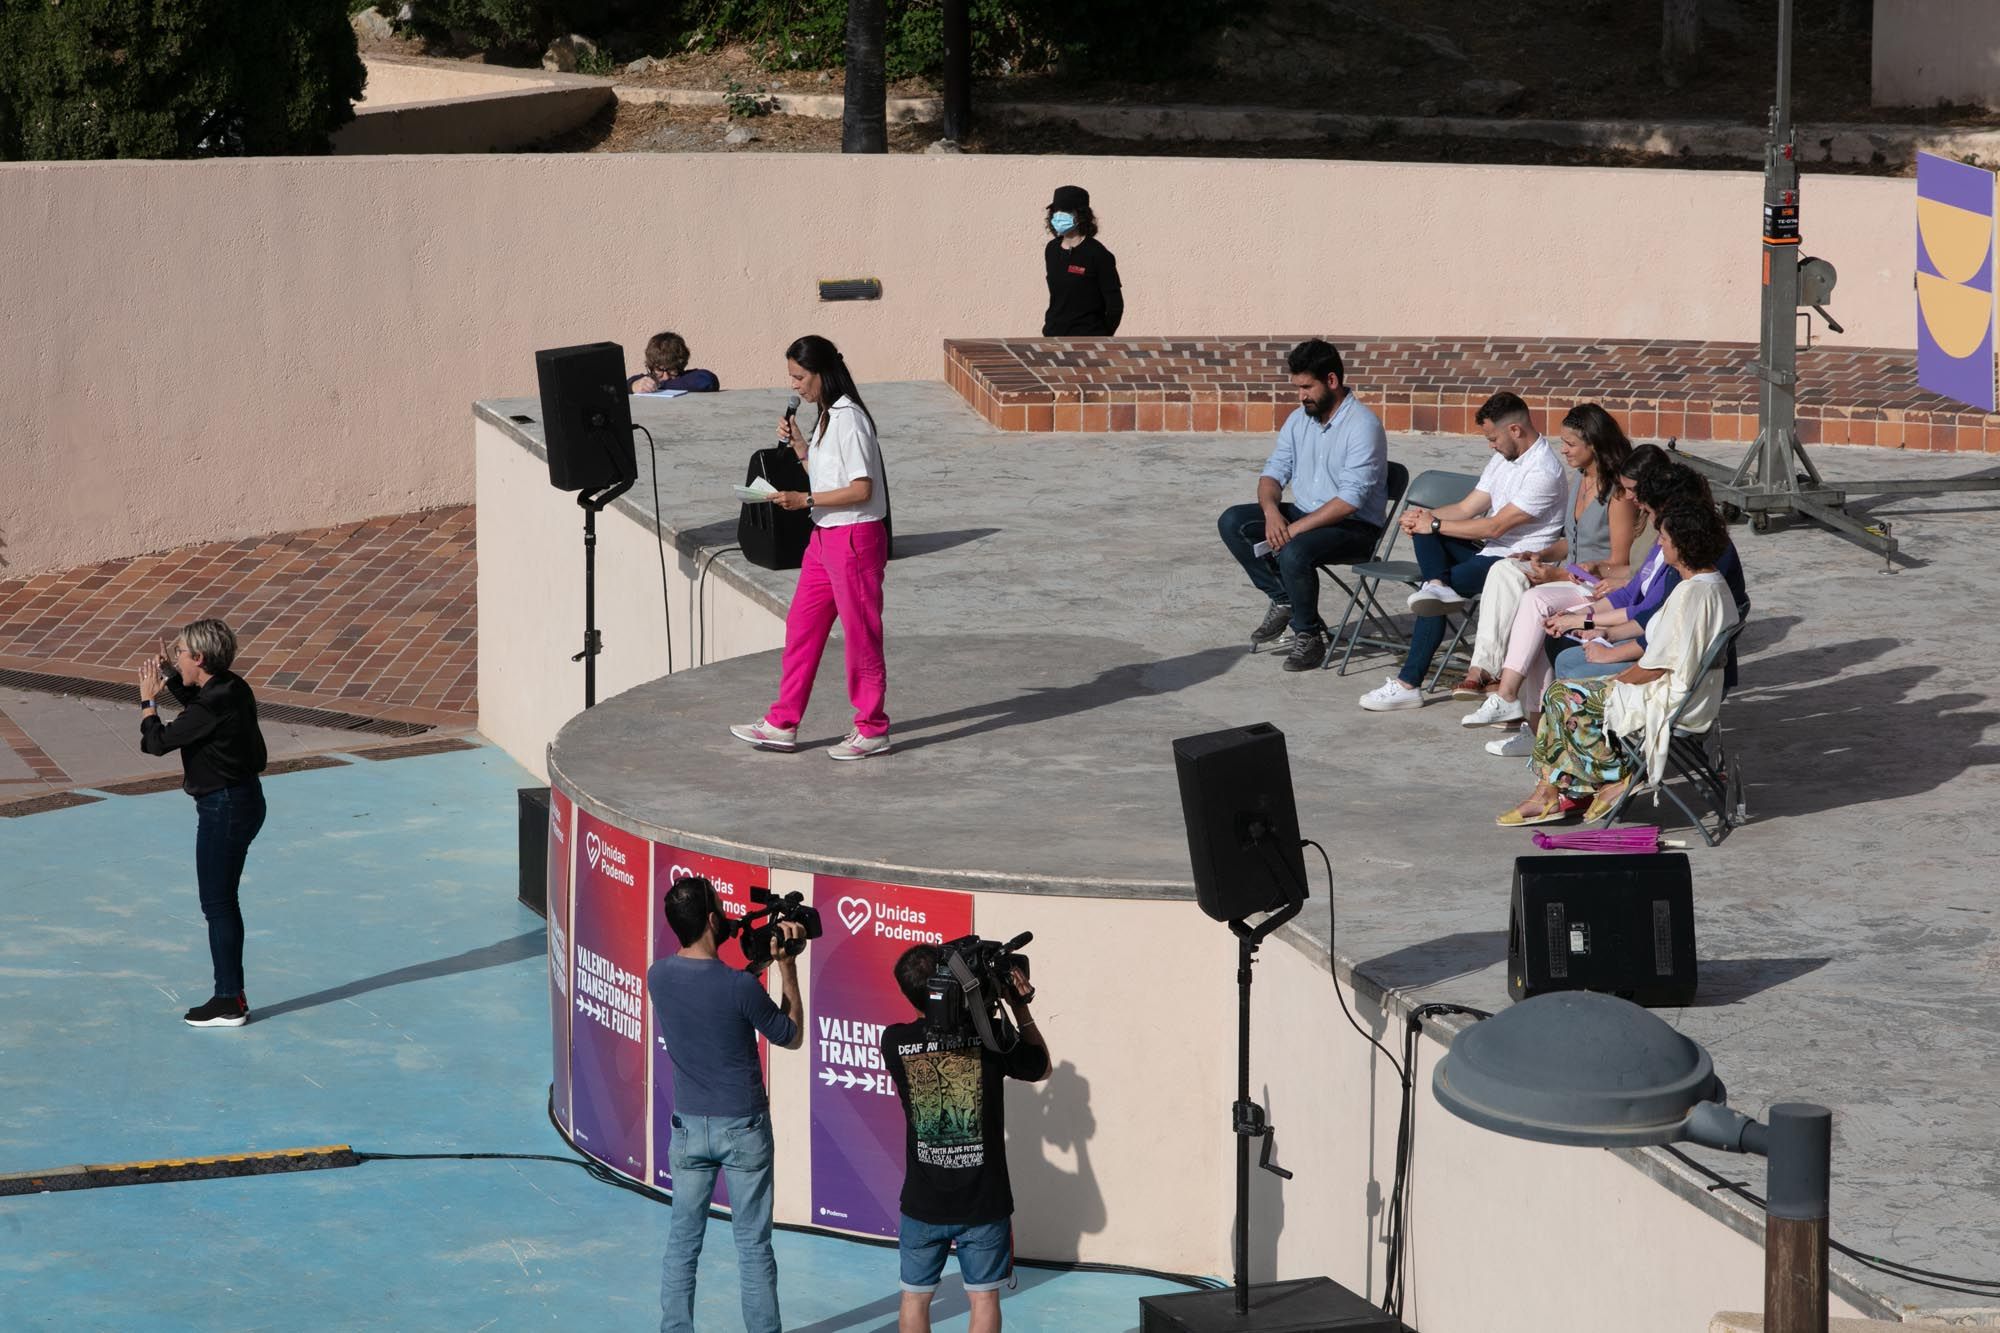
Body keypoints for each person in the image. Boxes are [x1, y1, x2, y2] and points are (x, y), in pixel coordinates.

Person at [1497, 497, 1739, 827]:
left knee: (1561, 695)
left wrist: (1615, 681)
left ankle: (1605, 777)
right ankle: (1555, 790)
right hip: (1688, 693)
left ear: (1682, 546)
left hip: (1671, 700)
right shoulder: (1710, 585)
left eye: (1664, 540)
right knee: (1570, 691)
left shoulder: (1690, 595)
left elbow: (1656, 666)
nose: (1660, 545)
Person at [650, 876, 806, 1333]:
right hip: (743, 1130)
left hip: (687, 1132)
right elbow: (790, 1035)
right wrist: (787, 968)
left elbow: (716, 994)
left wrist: (755, 967)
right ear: (714, 919)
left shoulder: (657, 975)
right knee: (754, 1246)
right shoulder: (740, 987)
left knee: (683, 1243)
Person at [730, 335, 893, 760]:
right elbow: (826, 474)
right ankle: (782, 722)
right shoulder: (826, 417)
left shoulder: (849, 418)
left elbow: (861, 488)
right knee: (802, 628)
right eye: (792, 378)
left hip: (854, 537)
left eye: (800, 377)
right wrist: (802, 447)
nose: (795, 386)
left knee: (861, 636)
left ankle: (872, 727)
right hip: (823, 538)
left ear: (823, 372)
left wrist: (805, 500)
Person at [1356, 391, 1567, 711]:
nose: (1490, 445)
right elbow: (1468, 507)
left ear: (1515, 430)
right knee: (1429, 531)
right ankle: (1437, 585)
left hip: (1515, 563)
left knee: (1433, 578)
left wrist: (1435, 524)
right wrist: (1423, 519)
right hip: (1488, 552)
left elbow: (1495, 527)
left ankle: (1409, 683)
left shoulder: (1543, 472)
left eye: (1493, 437)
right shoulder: (1503, 458)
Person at [881, 945, 1051, 1333]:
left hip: (923, 1204)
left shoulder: (893, 1042)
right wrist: (1018, 1006)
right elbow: (1040, 1067)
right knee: (984, 1297)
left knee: (914, 1296)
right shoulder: (989, 1041)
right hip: (983, 1204)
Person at [1455, 404, 1642, 726]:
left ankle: (1507, 692)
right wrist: (1539, 554)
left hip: (1599, 585)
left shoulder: (1618, 495)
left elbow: (1618, 562)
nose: (1563, 450)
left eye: (1570, 444)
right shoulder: (1581, 479)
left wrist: (1557, 573)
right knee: (1505, 569)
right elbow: (1573, 541)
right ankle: (1493, 678)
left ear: (1593, 445)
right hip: (1571, 576)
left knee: (1534, 602)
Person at [1216, 338, 1391, 671]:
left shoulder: (1363, 426)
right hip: (1306, 514)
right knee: (1232, 521)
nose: (1301, 395)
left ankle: (1308, 635)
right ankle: (1284, 598)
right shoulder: (1299, 420)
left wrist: (1292, 530)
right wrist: (1271, 514)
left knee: (1294, 549)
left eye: (1307, 387)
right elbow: (1272, 475)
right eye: (1297, 387)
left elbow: (1350, 501)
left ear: (1332, 381)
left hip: (1353, 527)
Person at [137, 618, 269, 1028]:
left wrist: (148, 703)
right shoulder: (232, 686)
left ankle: (229, 999)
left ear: (199, 658)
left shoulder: (211, 704)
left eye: (181, 654)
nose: (176, 657)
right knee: (222, 901)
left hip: (224, 809)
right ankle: (231, 994)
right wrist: (173, 679)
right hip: (245, 800)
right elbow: (200, 712)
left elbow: (155, 742)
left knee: (218, 904)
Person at [1041, 185, 1122, 338]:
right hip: (1053, 337)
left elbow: (1115, 306)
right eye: (1056, 211)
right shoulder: (1051, 250)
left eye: (1065, 211)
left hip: (1087, 339)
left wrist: (1101, 337)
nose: (1059, 216)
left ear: (1081, 215)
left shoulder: (1098, 254)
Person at [628, 331, 720, 394]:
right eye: (659, 370)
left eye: (672, 371)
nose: (666, 377)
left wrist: (659, 386)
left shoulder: (691, 378)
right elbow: (624, 386)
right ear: (651, 367)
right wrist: (633, 386)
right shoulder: (647, 380)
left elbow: (708, 380)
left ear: (681, 366)